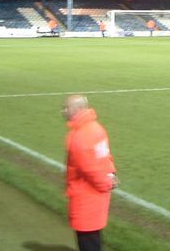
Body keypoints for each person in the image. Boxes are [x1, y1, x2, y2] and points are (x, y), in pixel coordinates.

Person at [63, 95, 118, 251]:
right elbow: (105, 156)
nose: (64, 111)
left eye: (66, 108)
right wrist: (111, 176)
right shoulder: (97, 128)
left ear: (78, 109)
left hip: (85, 200)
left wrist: (105, 184)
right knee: (94, 239)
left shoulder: (79, 136)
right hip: (98, 199)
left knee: (87, 242)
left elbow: (89, 168)